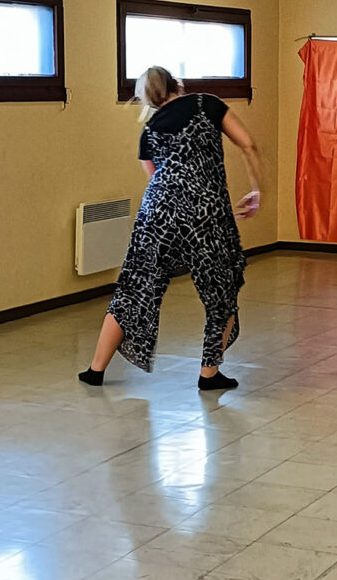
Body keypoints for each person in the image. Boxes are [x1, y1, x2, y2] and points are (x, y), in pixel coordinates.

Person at [78, 66, 261, 391]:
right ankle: (209, 374)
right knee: (221, 289)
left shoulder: (148, 130)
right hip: (206, 213)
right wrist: (257, 189)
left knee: (134, 288)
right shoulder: (207, 104)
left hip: (156, 212)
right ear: (178, 84)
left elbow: (155, 178)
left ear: (147, 97)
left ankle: (95, 370)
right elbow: (248, 144)